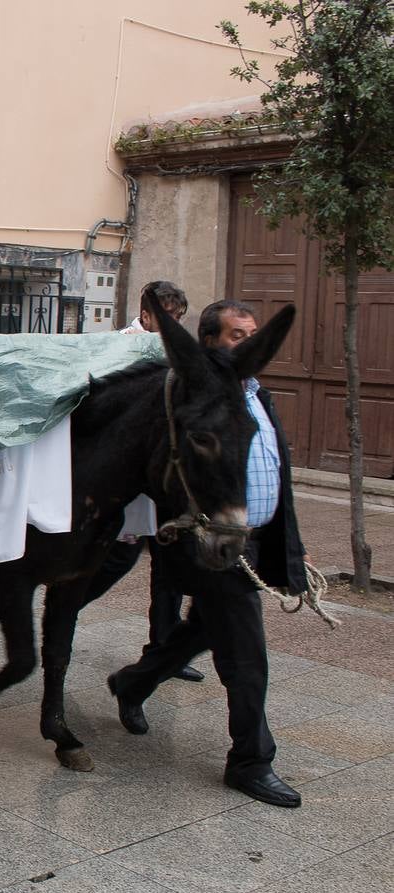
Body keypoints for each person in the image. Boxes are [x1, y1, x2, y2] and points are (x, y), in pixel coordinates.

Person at [108, 299, 309, 809]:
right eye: (237, 335)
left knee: (202, 629)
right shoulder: (188, 400)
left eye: (253, 334)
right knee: (245, 655)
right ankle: (251, 761)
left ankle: (133, 682)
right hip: (205, 538)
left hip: (247, 537)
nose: (249, 343)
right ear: (209, 341)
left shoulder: (256, 394)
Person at [85, 281, 203, 682]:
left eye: (179, 319)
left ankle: (165, 653)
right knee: (119, 557)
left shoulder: (177, 351)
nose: (174, 325)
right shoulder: (120, 346)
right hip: (132, 473)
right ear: (148, 314)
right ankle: (66, 607)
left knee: (169, 571)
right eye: (167, 318)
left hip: (167, 475)